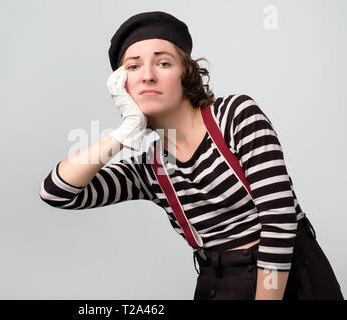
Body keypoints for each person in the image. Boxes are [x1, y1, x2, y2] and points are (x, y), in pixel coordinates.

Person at [39, 11, 343, 300]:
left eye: (163, 63)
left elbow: (280, 222)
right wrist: (124, 132)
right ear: (121, 87)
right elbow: (57, 192)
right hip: (219, 282)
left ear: (185, 72)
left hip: (289, 276)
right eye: (132, 67)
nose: (147, 76)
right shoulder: (149, 169)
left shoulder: (235, 116)